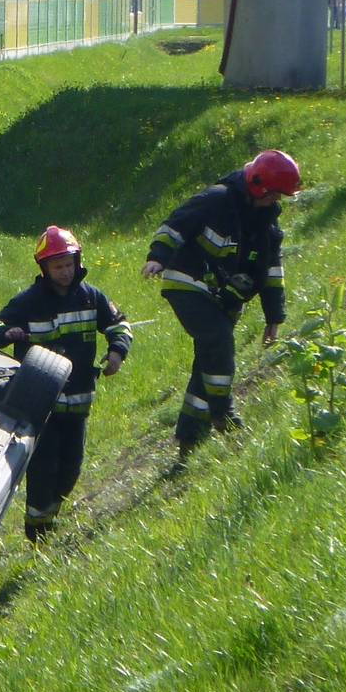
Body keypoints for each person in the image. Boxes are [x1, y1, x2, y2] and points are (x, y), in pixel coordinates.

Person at [141, 149, 300, 460]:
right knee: (217, 338)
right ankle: (223, 412)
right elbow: (174, 226)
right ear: (257, 185)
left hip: (223, 298)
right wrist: (157, 257)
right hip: (186, 282)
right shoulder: (215, 199)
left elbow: (271, 271)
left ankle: (189, 441)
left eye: (281, 196)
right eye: (274, 194)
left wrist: (274, 316)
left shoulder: (267, 224)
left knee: (209, 362)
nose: (276, 201)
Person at [0, 227, 132, 543]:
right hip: (41, 409)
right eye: (57, 266)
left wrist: (117, 352)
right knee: (43, 468)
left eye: (68, 264)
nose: (64, 272)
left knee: (71, 468)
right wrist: (6, 334)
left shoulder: (91, 296)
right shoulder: (28, 301)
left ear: (77, 262)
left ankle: (50, 517)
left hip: (78, 404)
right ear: (44, 268)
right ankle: (37, 532)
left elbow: (119, 324)